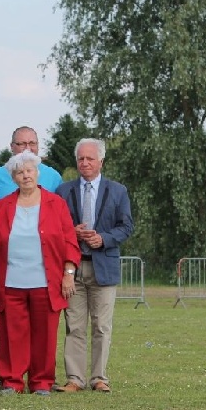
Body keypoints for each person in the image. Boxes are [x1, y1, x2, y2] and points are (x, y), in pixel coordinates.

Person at [0, 150, 80, 395]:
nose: (25, 176)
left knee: (44, 335)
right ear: (13, 178)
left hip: (46, 282)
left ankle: (41, 381)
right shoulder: (3, 206)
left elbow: (70, 241)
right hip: (10, 282)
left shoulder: (56, 204)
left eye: (29, 171)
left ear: (37, 173)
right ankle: (12, 381)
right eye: (19, 172)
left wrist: (69, 272)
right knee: (11, 334)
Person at [54, 138, 134, 393]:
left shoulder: (118, 191)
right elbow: (55, 228)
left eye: (90, 158)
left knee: (101, 326)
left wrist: (104, 239)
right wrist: (70, 232)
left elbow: (126, 226)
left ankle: (99, 378)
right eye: (81, 159)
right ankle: (74, 379)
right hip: (72, 268)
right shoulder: (63, 191)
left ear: (101, 161)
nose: (85, 163)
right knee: (74, 326)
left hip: (104, 266)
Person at [0, 126, 63, 228]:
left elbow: (63, 211)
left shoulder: (53, 176)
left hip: (44, 241)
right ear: (12, 146)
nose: (27, 148)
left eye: (32, 143)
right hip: (8, 242)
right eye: (21, 144)